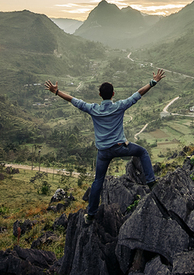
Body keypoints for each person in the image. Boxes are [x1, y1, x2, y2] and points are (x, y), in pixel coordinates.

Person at [44, 69, 165, 225]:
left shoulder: (94, 109)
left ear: (100, 95)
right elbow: (138, 94)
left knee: (98, 181)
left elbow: (73, 100)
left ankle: (91, 214)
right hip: (121, 147)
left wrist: (57, 91)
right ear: (113, 94)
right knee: (142, 152)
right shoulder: (120, 106)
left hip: (103, 153)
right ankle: (151, 182)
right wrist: (152, 82)